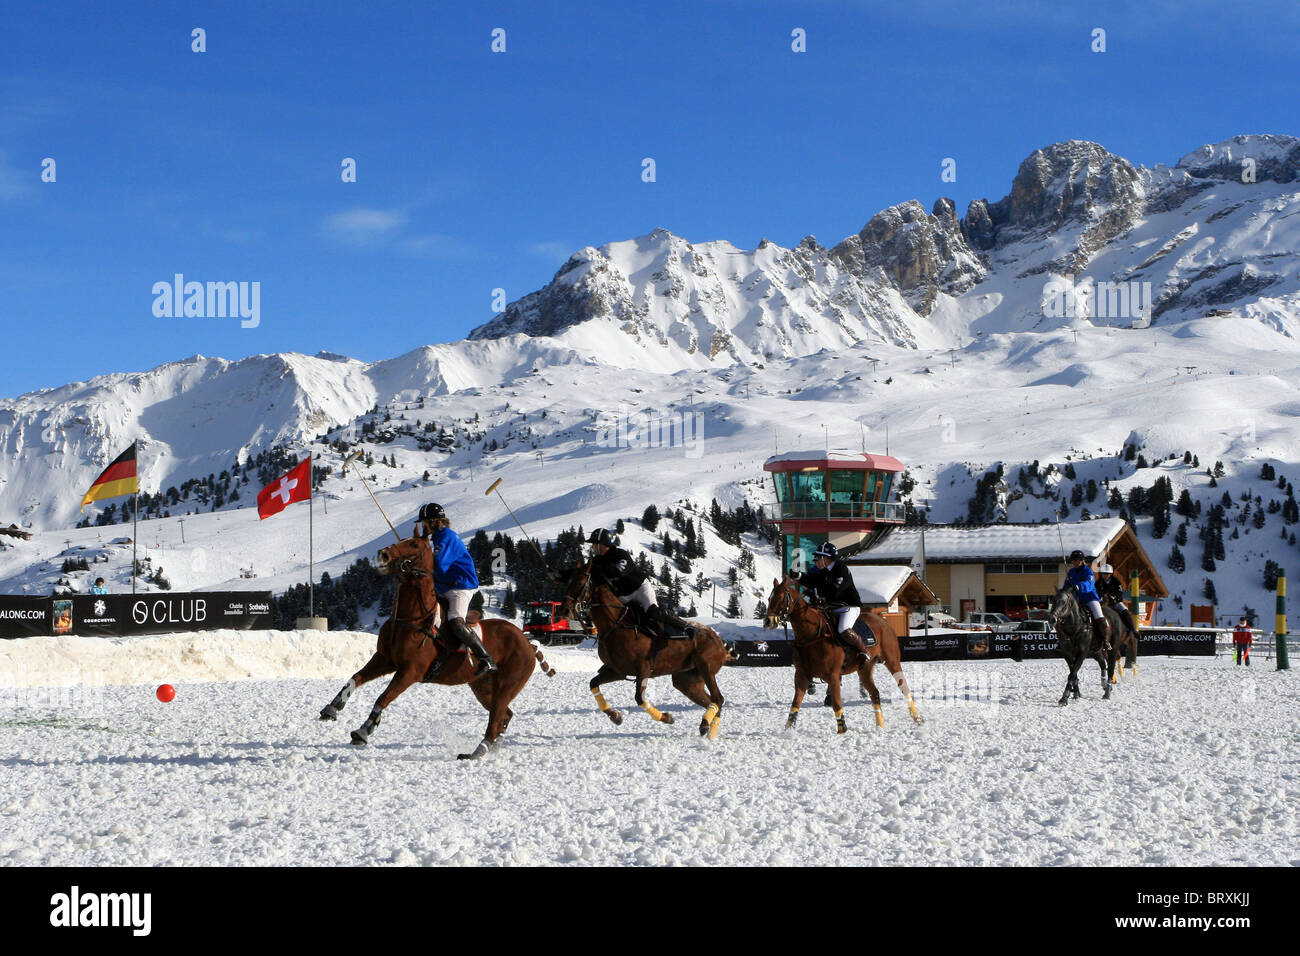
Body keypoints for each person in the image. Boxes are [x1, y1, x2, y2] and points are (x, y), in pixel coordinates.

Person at [416, 502, 495, 677]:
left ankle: (486, 658)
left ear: (432, 521)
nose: (422, 525)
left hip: (461, 585)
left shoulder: (446, 537)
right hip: (445, 586)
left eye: (424, 522)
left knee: (454, 620)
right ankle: (438, 655)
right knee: (431, 616)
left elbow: (440, 565)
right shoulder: (437, 538)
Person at [587, 528, 694, 642]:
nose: (592, 546)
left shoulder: (620, 554)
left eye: (594, 543)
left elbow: (618, 571)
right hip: (623, 595)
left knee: (653, 612)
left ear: (602, 544)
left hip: (640, 588)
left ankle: (684, 626)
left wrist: (600, 569)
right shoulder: (596, 561)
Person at [788, 542, 873, 664]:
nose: (816, 560)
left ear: (826, 557)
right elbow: (813, 582)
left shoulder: (841, 569)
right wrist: (799, 576)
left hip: (849, 607)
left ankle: (864, 651)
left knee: (843, 629)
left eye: (819, 557)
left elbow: (835, 591)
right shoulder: (825, 570)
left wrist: (818, 596)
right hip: (833, 607)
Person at [1064, 550, 1110, 652]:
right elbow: (1066, 586)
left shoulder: (1088, 571)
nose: (1075, 562)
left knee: (1099, 616)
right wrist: (1063, 592)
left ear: (1082, 561)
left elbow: (1089, 584)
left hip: (1090, 598)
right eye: (1073, 560)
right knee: (1064, 615)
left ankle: (1105, 641)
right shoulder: (1070, 572)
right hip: (1076, 599)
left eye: (1077, 560)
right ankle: (1064, 640)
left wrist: (1079, 586)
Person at [1096, 563, 1137, 639]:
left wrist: (1114, 597)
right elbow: (1096, 592)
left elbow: (1120, 592)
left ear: (1110, 574)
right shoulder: (1098, 582)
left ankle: (1133, 630)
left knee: (1125, 611)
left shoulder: (1116, 581)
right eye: (1103, 573)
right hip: (1103, 603)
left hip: (1116, 602)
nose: (1105, 575)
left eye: (1107, 574)